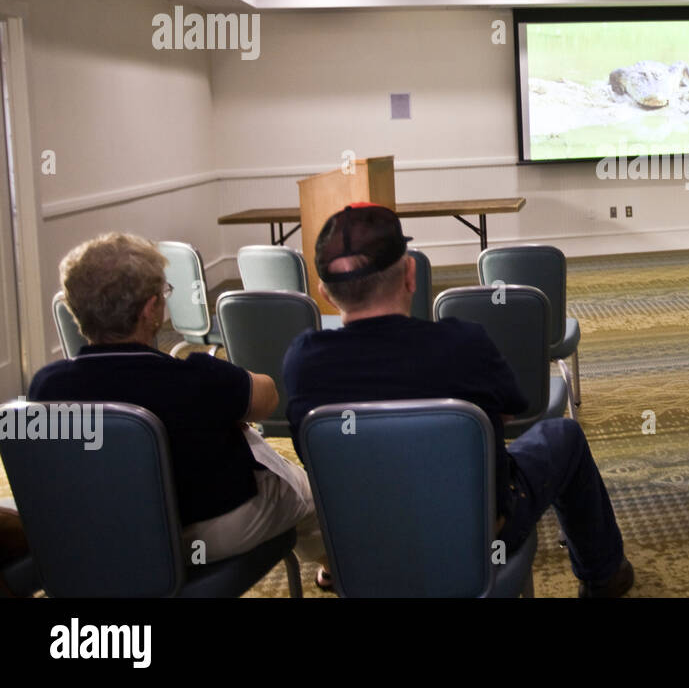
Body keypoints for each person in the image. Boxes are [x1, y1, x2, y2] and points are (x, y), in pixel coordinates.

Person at [282, 203, 633, 597]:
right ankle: (604, 576)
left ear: (324, 292)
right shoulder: (462, 344)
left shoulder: (302, 361)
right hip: (480, 535)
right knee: (563, 435)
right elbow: (507, 415)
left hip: (362, 542)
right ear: (411, 275)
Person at [26, 233, 323, 566]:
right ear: (150, 309)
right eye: (163, 294)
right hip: (207, 529)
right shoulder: (196, 376)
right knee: (312, 493)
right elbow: (267, 399)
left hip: (102, 532)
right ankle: (331, 570)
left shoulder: (46, 388)